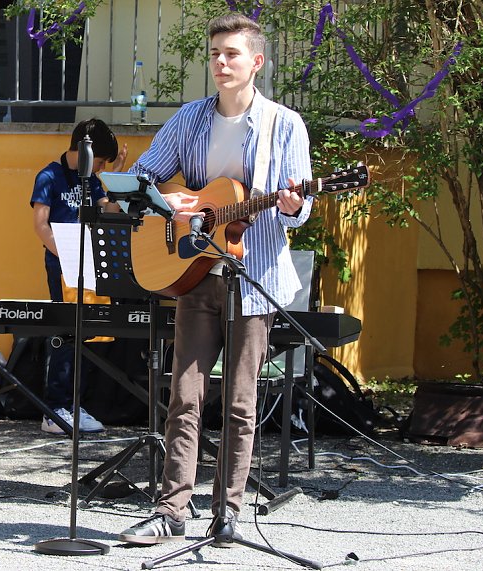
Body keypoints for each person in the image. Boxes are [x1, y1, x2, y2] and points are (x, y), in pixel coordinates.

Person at [118, 13, 312, 545]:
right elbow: (140, 180)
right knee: (184, 394)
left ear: (257, 62)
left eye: (232, 54)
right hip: (194, 272)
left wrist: (294, 205)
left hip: (253, 277)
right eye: (215, 55)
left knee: (241, 402)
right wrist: (171, 201)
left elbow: (300, 211)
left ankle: (226, 513)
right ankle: (170, 510)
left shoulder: (284, 125)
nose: (221, 63)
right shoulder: (190, 118)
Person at [30, 118, 128, 434]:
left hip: (90, 263)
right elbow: (40, 224)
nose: (99, 167)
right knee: (65, 334)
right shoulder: (49, 176)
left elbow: (109, 211)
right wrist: (66, 253)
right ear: (85, 152)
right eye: (99, 161)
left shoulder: (93, 180)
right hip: (63, 264)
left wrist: (117, 179)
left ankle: (74, 405)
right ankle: (55, 408)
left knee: (89, 333)